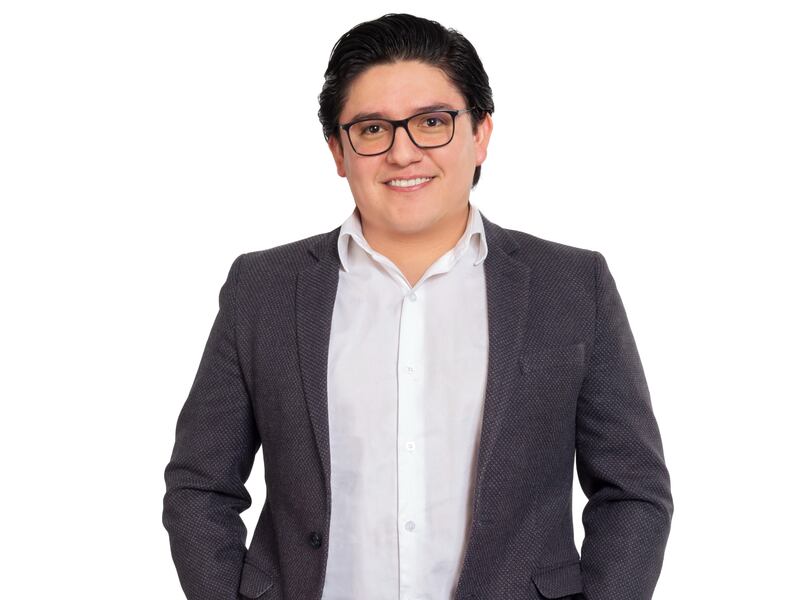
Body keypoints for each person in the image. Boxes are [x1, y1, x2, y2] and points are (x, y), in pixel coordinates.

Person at [162, 13, 673, 600]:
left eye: (432, 122)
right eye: (372, 129)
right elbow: (200, 485)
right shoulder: (263, 289)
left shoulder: (573, 285)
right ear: (338, 151)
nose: (403, 153)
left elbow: (633, 491)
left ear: (480, 134)